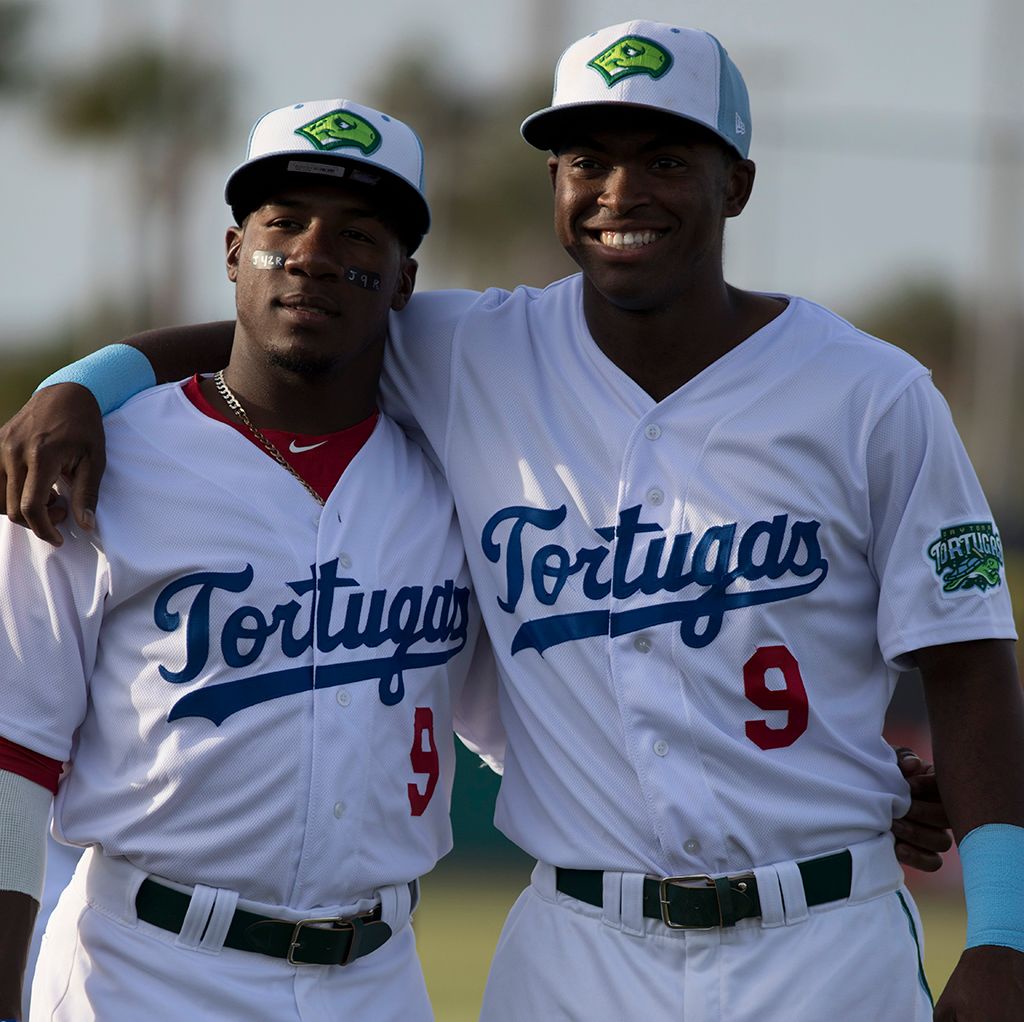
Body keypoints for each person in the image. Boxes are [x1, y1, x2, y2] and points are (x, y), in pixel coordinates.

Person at [2, 20, 1016, 1021]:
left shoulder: (870, 392)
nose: (622, 193)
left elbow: (968, 657)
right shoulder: (474, 350)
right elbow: (277, 329)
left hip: (823, 932)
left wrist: (1003, 932)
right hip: (572, 945)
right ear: (556, 186)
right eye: (588, 159)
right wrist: (88, 378)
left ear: (735, 185)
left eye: (665, 157)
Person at [0, 97, 503, 1021]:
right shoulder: (101, 460)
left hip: (380, 975)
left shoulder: (451, 474)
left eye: (357, 233)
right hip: (144, 971)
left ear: (402, 281)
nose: (312, 253)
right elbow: (9, 757)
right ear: (233, 251)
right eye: (284, 223)